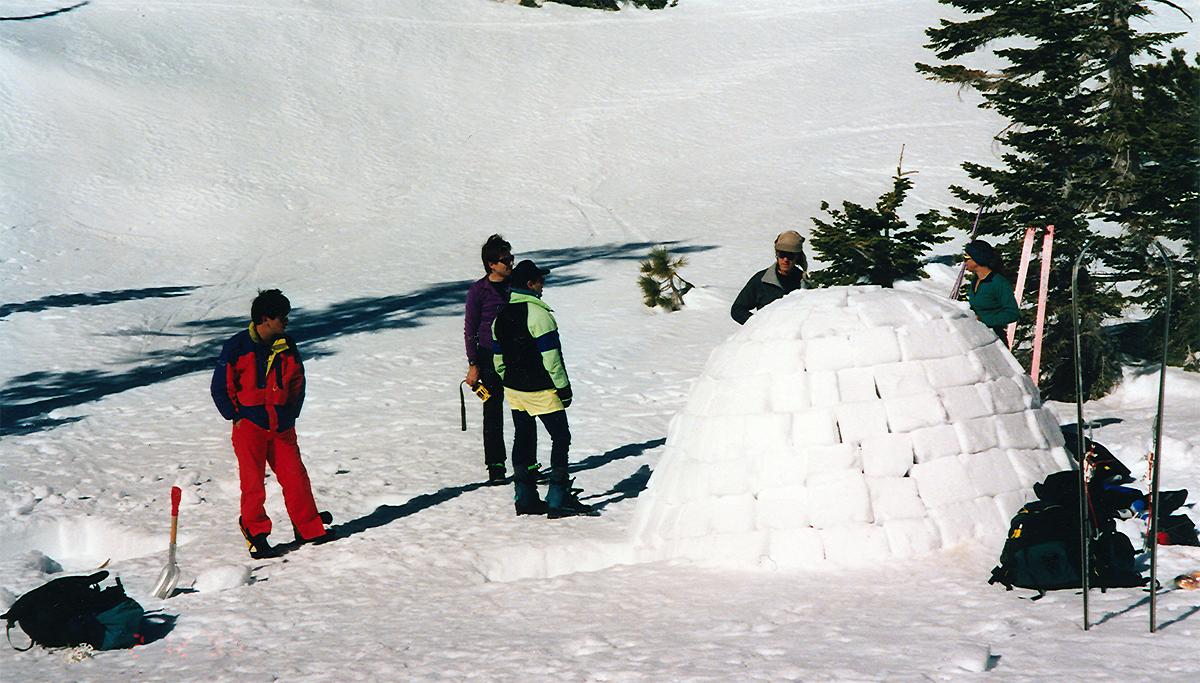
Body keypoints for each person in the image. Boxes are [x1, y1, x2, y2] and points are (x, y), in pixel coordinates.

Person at [211, 289, 332, 559]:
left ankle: (309, 528)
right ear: (266, 318)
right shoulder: (237, 346)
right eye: (282, 317)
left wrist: (291, 413)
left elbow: (298, 382)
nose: (286, 321)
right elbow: (221, 387)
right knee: (253, 483)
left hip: (282, 427)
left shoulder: (287, 345)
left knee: (296, 478)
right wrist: (237, 416)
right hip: (249, 428)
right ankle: (256, 533)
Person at [491, 260, 596, 518]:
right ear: (530, 284)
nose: (543, 285)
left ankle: (524, 497)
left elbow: (497, 359)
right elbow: (552, 358)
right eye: (540, 280)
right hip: (541, 389)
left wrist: (508, 379)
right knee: (561, 437)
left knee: (522, 437)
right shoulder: (539, 315)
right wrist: (564, 388)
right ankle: (558, 499)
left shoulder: (500, 317)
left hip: (514, 390)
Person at [464, 234, 514, 485]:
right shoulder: (478, 291)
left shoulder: (516, 285)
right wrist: (473, 364)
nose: (511, 264)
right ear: (491, 264)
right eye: (505, 260)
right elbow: (470, 328)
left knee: (523, 408)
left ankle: (525, 464)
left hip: (516, 354)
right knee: (492, 410)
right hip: (488, 356)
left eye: (511, 258)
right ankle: (496, 466)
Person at [731, 230, 812, 324]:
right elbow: (737, 310)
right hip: (766, 337)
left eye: (790, 255)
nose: (785, 259)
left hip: (793, 336)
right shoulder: (762, 280)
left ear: (797, 257)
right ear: (777, 254)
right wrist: (758, 324)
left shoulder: (803, 282)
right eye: (782, 254)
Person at [963, 239, 1020, 344]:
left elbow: (1012, 313)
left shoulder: (998, 283)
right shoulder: (976, 280)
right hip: (978, 337)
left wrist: (983, 319)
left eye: (967, 257)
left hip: (995, 340)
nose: (964, 261)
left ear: (978, 259)